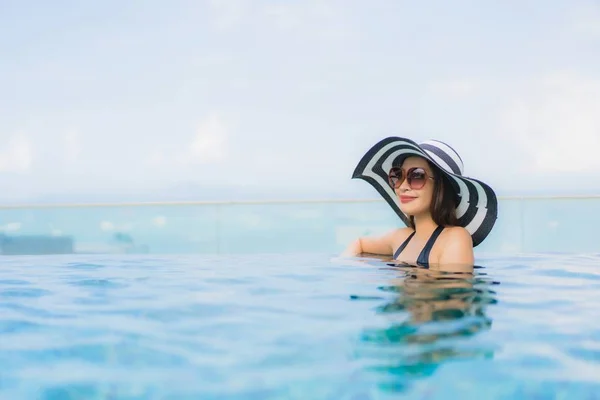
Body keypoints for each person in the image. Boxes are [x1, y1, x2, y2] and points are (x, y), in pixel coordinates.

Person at [342, 136, 498, 272]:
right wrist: (345, 266)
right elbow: (359, 243)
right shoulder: (400, 237)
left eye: (417, 176)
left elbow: (454, 300)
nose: (402, 186)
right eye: (398, 175)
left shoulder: (455, 238)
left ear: (441, 187)